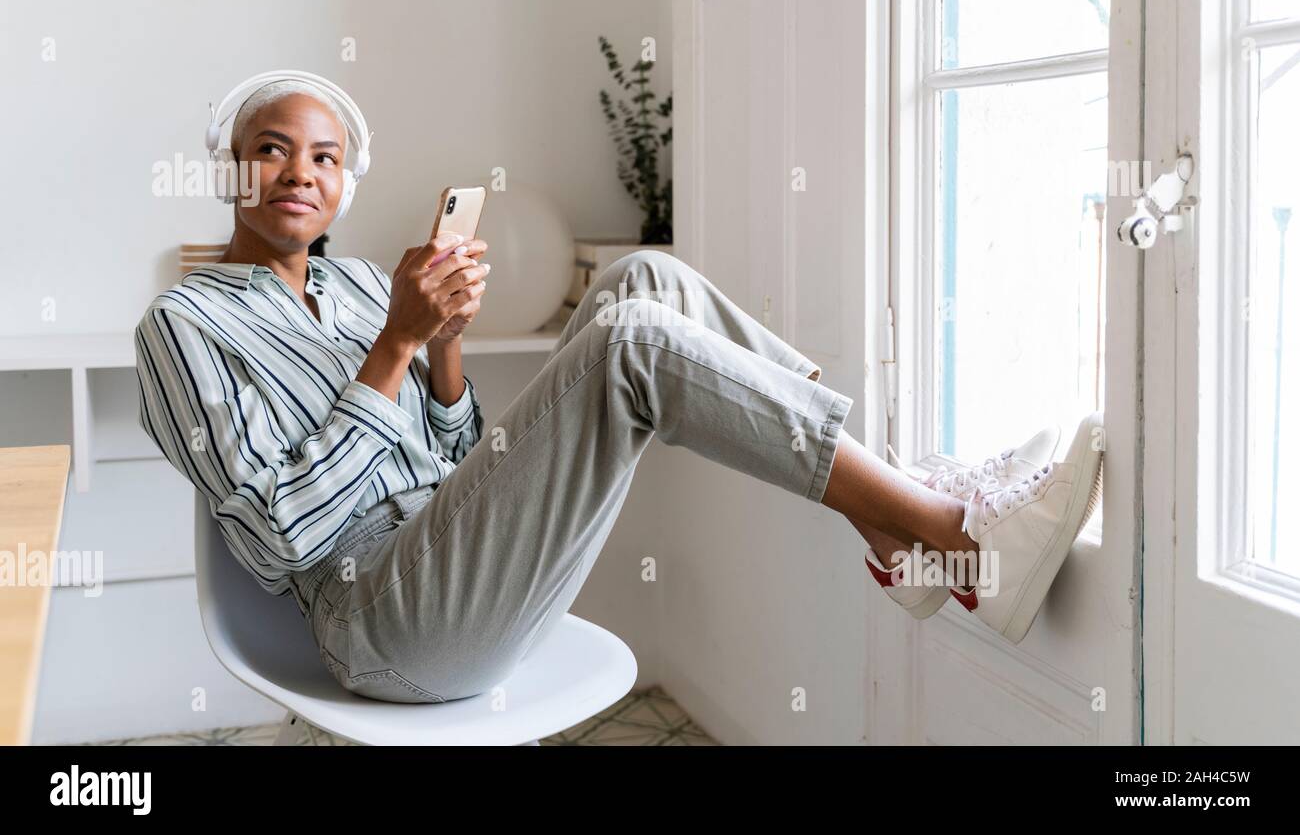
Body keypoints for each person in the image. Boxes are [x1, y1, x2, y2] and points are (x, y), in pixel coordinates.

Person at [134, 79, 1103, 705]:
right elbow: (276, 537)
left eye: (324, 156)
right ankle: (955, 538)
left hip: (460, 558)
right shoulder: (182, 324)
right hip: (384, 622)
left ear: (345, 181)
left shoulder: (353, 286)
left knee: (648, 281)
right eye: (271, 148)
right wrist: (397, 341)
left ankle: (888, 520)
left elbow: (458, 458)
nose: (299, 172)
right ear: (229, 167)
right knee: (631, 342)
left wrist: (442, 348)